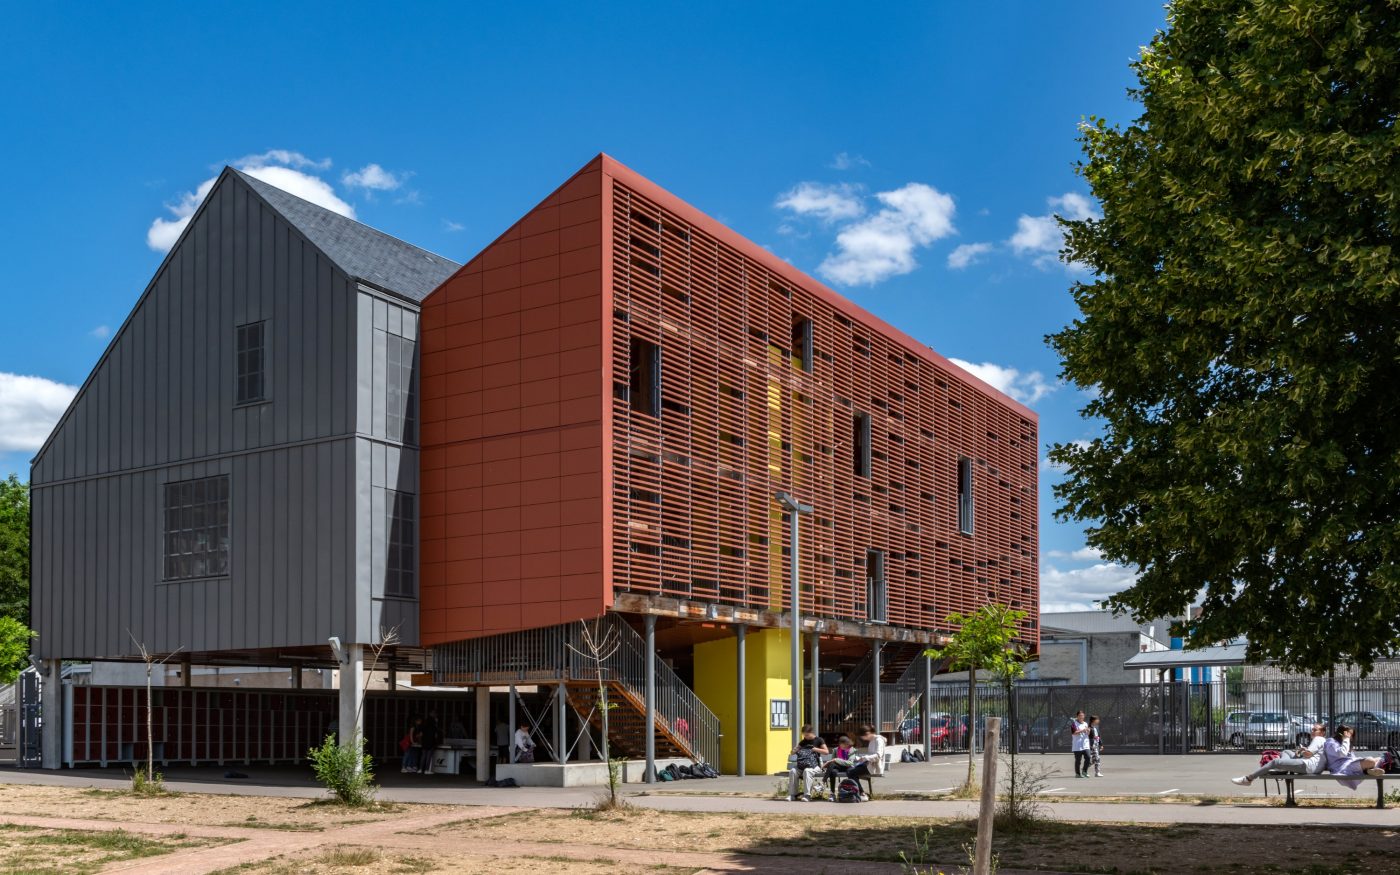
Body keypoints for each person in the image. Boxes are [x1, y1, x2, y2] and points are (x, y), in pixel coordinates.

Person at [1232, 722, 1327, 786]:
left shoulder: (1319, 739)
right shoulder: (1322, 740)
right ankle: (1282, 768)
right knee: (1286, 752)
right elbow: (1311, 754)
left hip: (1310, 766)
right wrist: (1302, 751)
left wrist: (1302, 750)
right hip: (1312, 765)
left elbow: (1307, 755)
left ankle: (1248, 779)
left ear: (1322, 732)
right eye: (1312, 729)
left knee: (1275, 762)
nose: (1312, 731)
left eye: (1315, 730)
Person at [1324, 723, 1385, 790]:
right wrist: (1346, 739)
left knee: (1380, 759)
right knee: (1370, 761)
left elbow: (1352, 758)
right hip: (1341, 768)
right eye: (1349, 734)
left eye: (1351, 735)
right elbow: (1342, 753)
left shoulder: (1346, 743)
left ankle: (1369, 770)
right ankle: (1367, 771)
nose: (1351, 737)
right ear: (1341, 733)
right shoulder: (1331, 742)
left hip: (1349, 764)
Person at [787, 724, 829, 801]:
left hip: (815, 765)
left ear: (811, 732)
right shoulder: (803, 742)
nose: (805, 736)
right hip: (802, 765)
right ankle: (793, 795)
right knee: (793, 771)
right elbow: (792, 753)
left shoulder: (819, 740)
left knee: (807, 771)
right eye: (804, 735)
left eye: (807, 735)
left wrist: (815, 749)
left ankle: (807, 795)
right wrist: (794, 751)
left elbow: (826, 752)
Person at [847, 724, 887, 796]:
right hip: (869, 765)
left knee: (851, 772)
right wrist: (861, 759)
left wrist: (865, 758)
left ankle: (861, 793)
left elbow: (878, 755)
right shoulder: (872, 741)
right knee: (850, 770)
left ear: (867, 734)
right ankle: (860, 792)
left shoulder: (879, 740)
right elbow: (871, 755)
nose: (863, 739)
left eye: (863, 737)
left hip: (874, 767)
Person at [419, 711, 442, 775]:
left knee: (423, 756)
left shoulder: (424, 724)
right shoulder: (434, 725)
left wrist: (420, 741)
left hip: (424, 741)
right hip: (431, 741)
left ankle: (420, 769)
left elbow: (421, 734)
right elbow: (436, 735)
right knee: (428, 756)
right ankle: (426, 770)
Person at [1070, 711, 1090, 778]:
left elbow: (1087, 734)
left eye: (1082, 715)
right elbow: (1074, 733)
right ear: (1077, 716)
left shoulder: (1085, 723)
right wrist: (1082, 730)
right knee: (1078, 761)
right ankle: (1078, 774)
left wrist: (1088, 731)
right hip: (1077, 746)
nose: (1081, 717)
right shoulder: (1074, 724)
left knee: (1088, 757)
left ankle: (1084, 771)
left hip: (1085, 745)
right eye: (1080, 715)